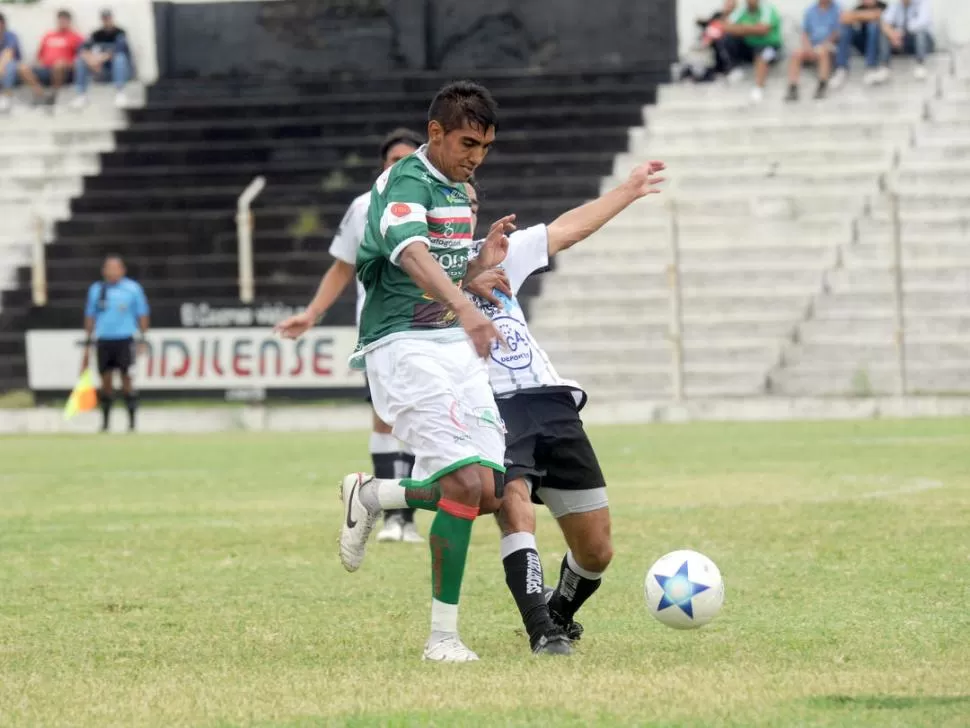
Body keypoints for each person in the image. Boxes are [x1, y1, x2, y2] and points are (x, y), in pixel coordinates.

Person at [280, 81, 514, 663]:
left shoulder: (462, 188)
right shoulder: (403, 182)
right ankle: (443, 639)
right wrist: (465, 307)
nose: (475, 157)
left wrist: (476, 272)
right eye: (467, 143)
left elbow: (444, 267)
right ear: (435, 132)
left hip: (450, 343)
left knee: (488, 492)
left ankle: (376, 493)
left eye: (484, 146)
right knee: (463, 485)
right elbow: (410, 254)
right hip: (401, 345)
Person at [463, 160, 667, 656]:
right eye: (452, 204)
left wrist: (628, 190)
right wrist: (465, 283)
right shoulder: (413, 267)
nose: (461, 213)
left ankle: (558, 614)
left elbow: (565, 230)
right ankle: (541, 630)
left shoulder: (497, 253)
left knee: (596, 550)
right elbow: (401, 308)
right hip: (491, 405)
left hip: (550, 399)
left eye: (468, 205)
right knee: (515, 506)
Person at [276, 127, 437, 545]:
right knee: (385, 419)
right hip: (380, 331)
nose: (400, 168)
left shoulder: (440, 201)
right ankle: (391, 518)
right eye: (391, 161)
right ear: (381, 168)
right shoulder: (364, 207)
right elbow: (342, 267)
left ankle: (408, 519)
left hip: (431, 327)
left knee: (424, 422)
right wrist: (312, 314)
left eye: (408, 160)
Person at [80, 256, 150, 433]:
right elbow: (90, 316)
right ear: (104, 271)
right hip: (104, 340)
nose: (112, 272)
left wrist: (142, 338)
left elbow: (142, 314)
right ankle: (105, 423)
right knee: (105, 382)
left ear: (122, 270)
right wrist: (88, 343)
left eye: (115, 268)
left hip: (125, 339)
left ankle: (132, 423)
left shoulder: (132, 289)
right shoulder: (97, 290)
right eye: (108, 268)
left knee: (127, 379)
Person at [18, 9, 84, 108]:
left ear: (69, 21)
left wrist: (68, 64)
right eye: (60, 20)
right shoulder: (48, 35)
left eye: (64, 20)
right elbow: (39, 56)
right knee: (22, 67)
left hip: (65, 71)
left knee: (59, 64)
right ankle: (40, 95)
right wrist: (37, 63)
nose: (62, 23)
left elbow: (81, 58)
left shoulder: (76, 37)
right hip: (46, 69)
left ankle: (54, 94)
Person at [721, 0, 784, 103]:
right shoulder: (741, 10)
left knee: (762, 54)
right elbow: (726, 27)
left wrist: (741, 28)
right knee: (727, 39)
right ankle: (735, 68)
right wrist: (753, 28)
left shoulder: (767, 9)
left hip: (769, 45)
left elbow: (763, 30)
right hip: (750, 45)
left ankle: (759, 87)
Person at [72, 8, 133, 110]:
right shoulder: (96, 34)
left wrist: (98, 59)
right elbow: (82, 49)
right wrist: (90, 60)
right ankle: (81, 95)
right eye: (104, 18)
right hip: (100, 70)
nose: (106, 20)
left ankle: (120, 93)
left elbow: (119, 49)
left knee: (119, 58)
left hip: (119, 71)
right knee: (80, 61)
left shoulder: (120, 32)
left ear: (112, 18)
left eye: (108, 18)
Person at [785, 0, 843, 101]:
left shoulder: (838, 9)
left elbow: (837, 32)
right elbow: (805, 33)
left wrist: (824, 44)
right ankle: (792, 87)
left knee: (823, 51)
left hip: (830, 45)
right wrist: (808, 48)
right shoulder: (810, 10)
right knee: (796, 53)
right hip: (813, 45)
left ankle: (822, 84)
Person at [831, 0, 887, 88]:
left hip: (877, 45)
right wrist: (866, 15)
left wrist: (857, 16)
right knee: (846, 29)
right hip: (862, 43)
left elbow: (877, 15)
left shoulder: (883, 5)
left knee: (872, 27)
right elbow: (844, 18)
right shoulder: (858, 7)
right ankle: (841, 68)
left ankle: (871, 67)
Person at [876, 0, 934, 81]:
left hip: (924, 42)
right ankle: (884, 67)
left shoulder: (923, 3)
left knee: (920, 33)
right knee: (884, 35)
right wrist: (893, 35)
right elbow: (884, 22)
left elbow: (921, 23)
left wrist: (901, 33)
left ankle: (920, 65)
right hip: (903, 41)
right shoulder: (896, 5)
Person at [0, 13, 21, 114]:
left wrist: (1, 65)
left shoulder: (10, 36)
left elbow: (9, 52)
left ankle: (6, 96)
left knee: (9, 64)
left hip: (11, 67)